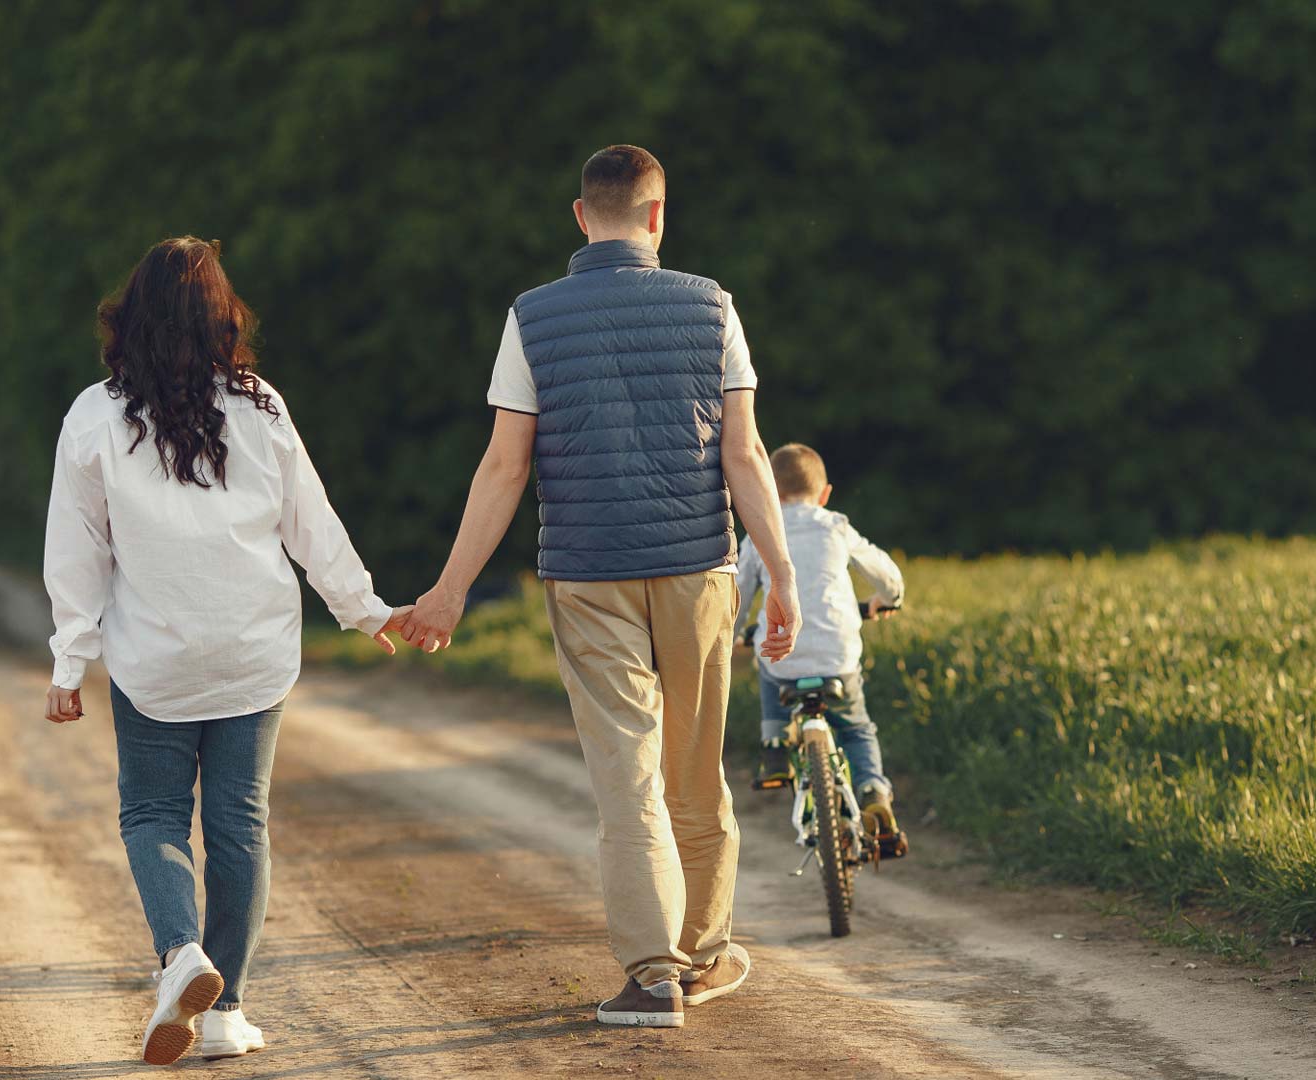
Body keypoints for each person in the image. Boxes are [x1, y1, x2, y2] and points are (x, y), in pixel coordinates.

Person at [398, 145, 802, 1028]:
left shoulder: (532, 317)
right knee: (696, 774)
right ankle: (702, 954)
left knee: (628, 778)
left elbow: (505, 467)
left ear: (582, 217)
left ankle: (653, 976)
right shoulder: (713, 306)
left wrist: (451, 589)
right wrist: (780, 572)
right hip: (699, 567)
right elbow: (744, 453)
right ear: (657, 217)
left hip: (588, 575)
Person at [40, 237, 410, 1066]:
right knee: (240, 826)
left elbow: (77, 551)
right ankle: (223, 1014)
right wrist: (364, 609)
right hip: (253, 650)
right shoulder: (261, 406)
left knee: (153, 815)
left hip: (155, 658)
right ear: (222, 318)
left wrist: (71, 658)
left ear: (127, 319)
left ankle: (182, 957)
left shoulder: (94, 415)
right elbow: (311, 523)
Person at [737, 443, 906, 835]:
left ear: (770, 493)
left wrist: (732, 634)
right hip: (838, 658)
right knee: (857, 729)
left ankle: (775, 745)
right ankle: (874, 793)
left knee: (769, 665)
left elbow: (740, 594)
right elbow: (886, 574)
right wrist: (888, 599)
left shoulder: (760, 533)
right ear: (825, 494)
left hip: (784, 660)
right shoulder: (836, 526)